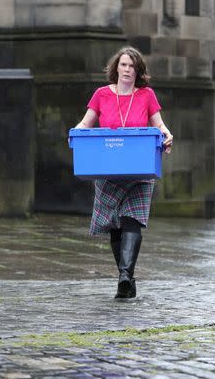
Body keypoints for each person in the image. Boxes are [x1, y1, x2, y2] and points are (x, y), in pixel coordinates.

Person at [74, 46, 173, 299]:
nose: (128, 70)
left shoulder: (147, 95)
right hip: (108, 170)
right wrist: (75, 134)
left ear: (138, 71)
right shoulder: (101, 95)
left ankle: (125, 277)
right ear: (116, 67)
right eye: (124, 65)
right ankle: (126, 278)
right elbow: (85, 123)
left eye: (133, 66)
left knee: (131, 220)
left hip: (140, 170)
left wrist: (166, 135)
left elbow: (159, 125)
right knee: (115, 226)